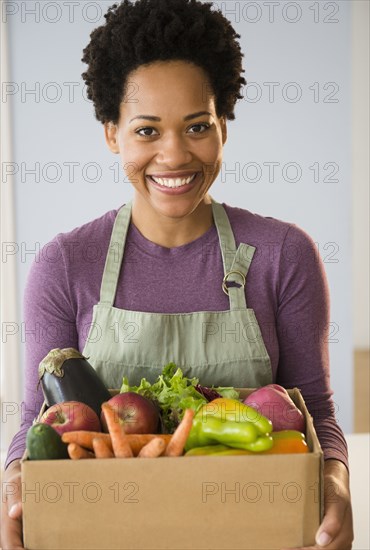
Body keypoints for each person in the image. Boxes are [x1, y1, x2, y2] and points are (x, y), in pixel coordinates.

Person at [0, 0, 353, 548]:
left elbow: (316, 409)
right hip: (104, 534)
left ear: (223, 128)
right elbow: (37, 418)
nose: (174, 154)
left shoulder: (284, 254)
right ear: (111, 133)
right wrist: (15, 485)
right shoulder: (65, 264)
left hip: (253, 532)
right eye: (146, 131)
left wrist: (335, 483)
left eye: (196, 126)